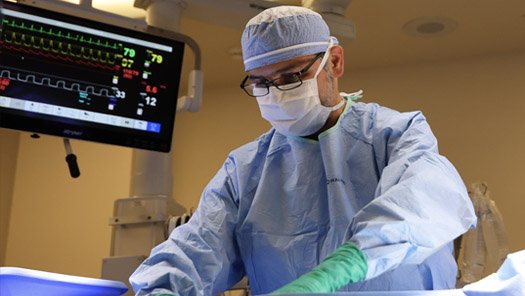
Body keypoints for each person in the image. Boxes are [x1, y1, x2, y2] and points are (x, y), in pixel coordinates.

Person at [130, 5, 477, 296]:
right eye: (260, 83)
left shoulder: (395, 135)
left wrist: (339, 270)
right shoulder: (245, 171)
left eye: (289, 77)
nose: (276, 93)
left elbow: (422, 204)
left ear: (335, 62)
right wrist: (164, 287)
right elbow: (198, 246)